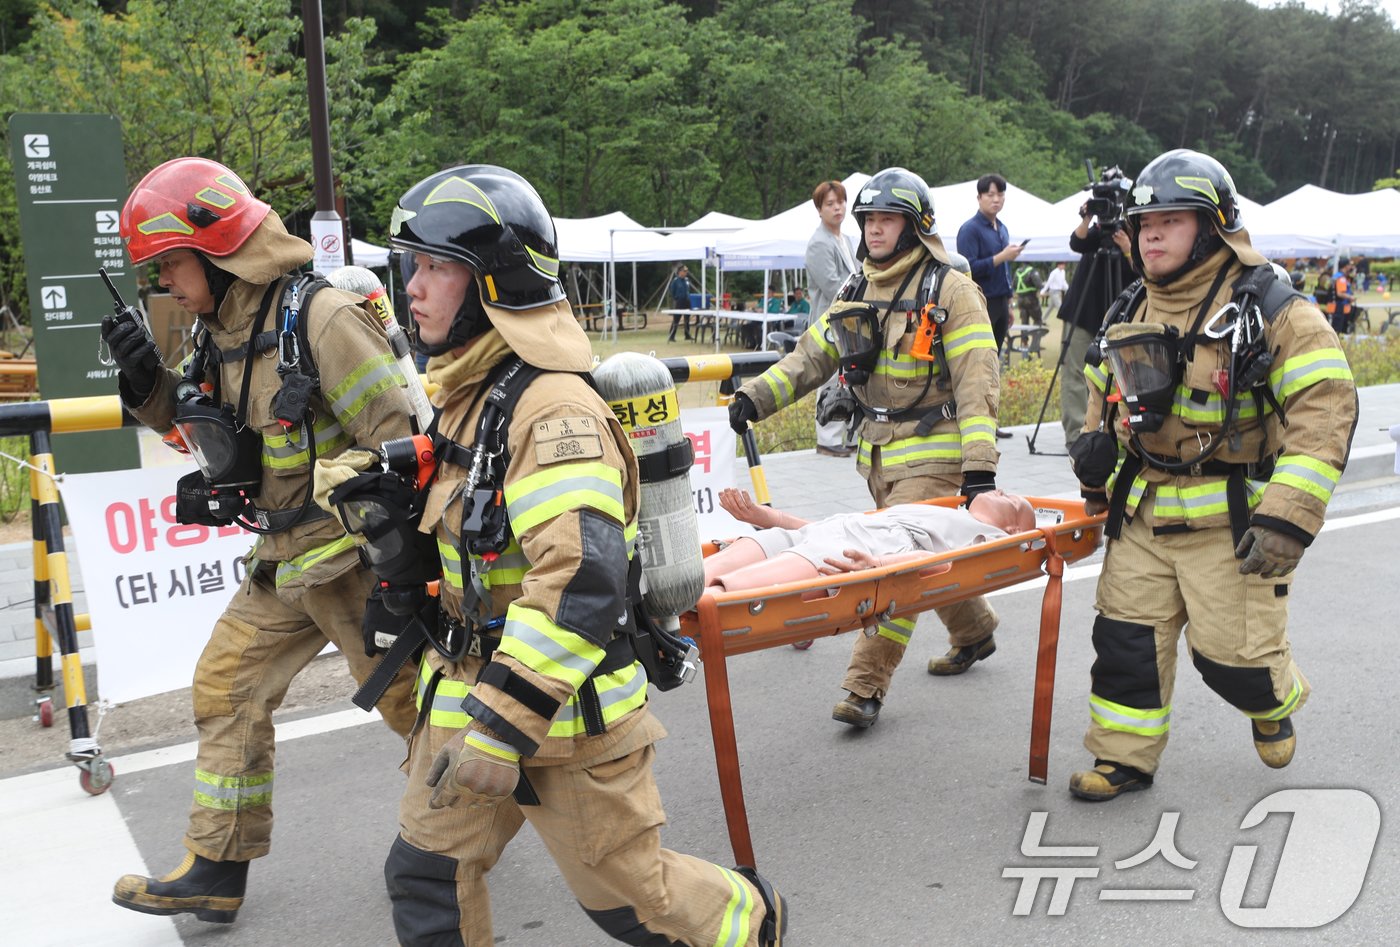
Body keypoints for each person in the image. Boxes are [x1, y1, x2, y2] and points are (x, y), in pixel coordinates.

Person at [316, 164, 786, 946]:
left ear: (495, 282)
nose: (414, 288)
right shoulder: (470, 393)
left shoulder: (553, 409)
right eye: (414, 265)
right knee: (426, 875)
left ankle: (751, 921)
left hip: (561, 714)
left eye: (437, 267)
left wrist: (503, 725)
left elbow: (581, 582)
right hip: (470, 693)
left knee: (634, 902)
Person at [103, 157, 419, 922]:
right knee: (226, 686)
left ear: (217, 249)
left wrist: (399, 575)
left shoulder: (322, 317)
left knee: (417, 706)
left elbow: (401, 442)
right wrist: (148, 386)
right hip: (283, 562)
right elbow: (207, 437)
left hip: (350, 563)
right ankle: (216, 866)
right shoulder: (222, 332)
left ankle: (489, 816)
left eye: (170, 264)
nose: (167, 285)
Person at [1068, 149, 1356, 802]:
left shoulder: (1272, 307)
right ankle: (1123, 760)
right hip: (1141, 512)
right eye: (1145, 223)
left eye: (1172, 219)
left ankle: (1270, 700)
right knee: (1125, 643)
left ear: (1215, 226)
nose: (1153, 235)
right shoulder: (1130, 304)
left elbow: (1326, 407)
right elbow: (1102, 387)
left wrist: (1288, 516)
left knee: (1234, 660)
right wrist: (1094, 455)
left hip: (1229, 521)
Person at [728, 166, 1004, 729]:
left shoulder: (950, 289)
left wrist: (979, 471)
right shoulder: (858, 289)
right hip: (879, 457)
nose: (875, 230)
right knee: (926, 559)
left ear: (916, 226)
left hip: (936, 452)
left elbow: (980, 383)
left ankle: (864, 687)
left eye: (888, 220)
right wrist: (754, 398)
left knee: (893, 571)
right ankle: (975, 631)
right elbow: (811, 357)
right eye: (869, 219)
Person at [704, 487, 1034, 592]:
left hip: (863, 550)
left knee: (722, 590)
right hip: (833, 532)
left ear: (1013, 531)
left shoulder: (988, 539)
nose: (1001, 490)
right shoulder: (952, 513)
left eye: (1011, 500)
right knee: (694, 576)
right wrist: (766, 517)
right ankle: (662, 597)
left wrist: (877, 566)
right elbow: (837, 528)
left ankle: (677, 612)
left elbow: (942, 564)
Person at [1058, 205, 1136, 452]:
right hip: (1082, 313)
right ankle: (1075, 438)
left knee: (1120, 376)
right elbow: (1076, 242)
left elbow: (1143, 270)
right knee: (1074, 374)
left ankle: (1114, 431)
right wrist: (1087, 217)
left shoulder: (1133, 233)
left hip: (1118, 318)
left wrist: (1127, 248)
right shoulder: (1095, 233)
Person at [956, 173, 1023, 437]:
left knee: (994, 365)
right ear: (979, 198)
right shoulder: (970, 229)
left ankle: (992, 421)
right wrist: (1000, 256)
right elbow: (967, 267)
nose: (996, 200)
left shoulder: (1002, 227)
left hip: (1000, 301)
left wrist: (1009, 303)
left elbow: (1004, 270)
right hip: (979, 302)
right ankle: (977, 423)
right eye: (991, 195)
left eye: (1000, 195)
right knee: (979, 365)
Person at [805, 179, 860, 457]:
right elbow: (834, 286)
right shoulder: (818, 244)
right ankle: (827, 439)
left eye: (840, 202)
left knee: (850, 377)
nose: (837, 208)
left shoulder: (846, 239)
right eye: (830, 204)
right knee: (828, 379)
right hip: (828, 323)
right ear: (819, 209)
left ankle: (850, 436)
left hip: (849, 321)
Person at [666, 263, 692, 341]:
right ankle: (672, 336)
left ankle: (687, 335)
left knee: (687, 319)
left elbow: (688, 290)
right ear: (680, 272)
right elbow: (672, 291)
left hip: (687, 301)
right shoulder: (676, 281)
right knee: (676, 319)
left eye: (686, 271)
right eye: (684, 271)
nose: (685, 273)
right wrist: (677, 298)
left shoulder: (687, 280)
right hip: (679, 302)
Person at [1013, 262, 1044, 326]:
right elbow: (1039, 285)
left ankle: (1024, 336)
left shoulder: (1017, 271)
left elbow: (1014, 285)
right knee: (1037, 320)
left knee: (1024, 322)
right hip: (1031, 299)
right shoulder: (1032, 271)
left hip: (1020, 299)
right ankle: (1036, 336)